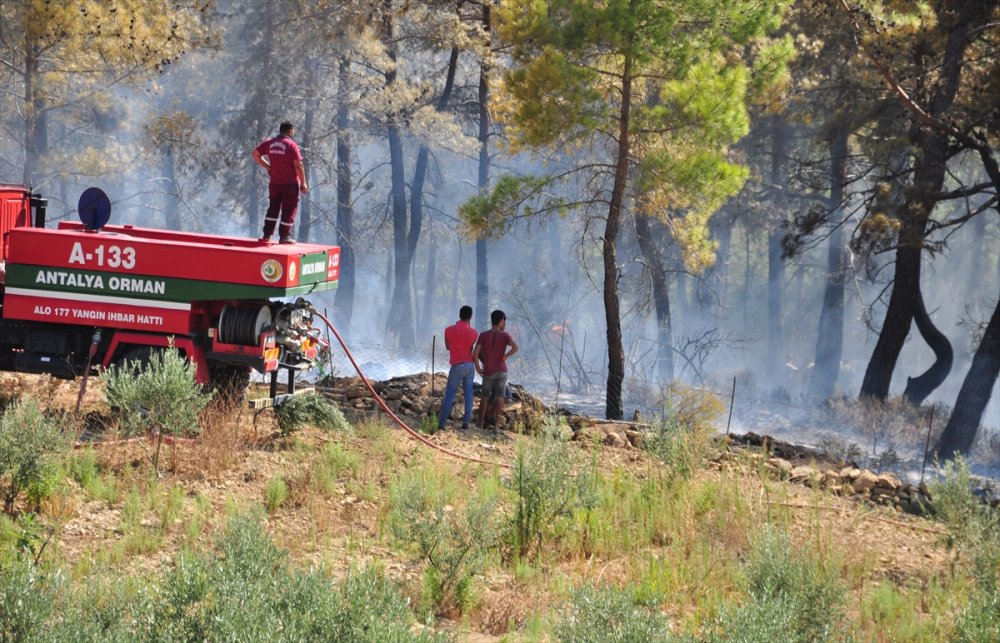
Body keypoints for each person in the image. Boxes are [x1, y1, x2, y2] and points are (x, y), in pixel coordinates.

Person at [251, 121, 308, 243]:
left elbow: (255, 154)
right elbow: (298, 165)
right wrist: (303, 183)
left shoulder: (269, 143)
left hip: (275, 184)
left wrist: (268, 167)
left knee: (273, 208)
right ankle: (284, 236)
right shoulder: (291, 145)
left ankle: (266, 235)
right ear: (290, 131)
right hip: (290, 184)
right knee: (289, 209)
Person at [473, 309, 518, 430]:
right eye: (504, 322)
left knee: (485, 396)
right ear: (501, 321)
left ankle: (480, 423)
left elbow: (475, 353)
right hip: (502, 371)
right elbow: (515, 347)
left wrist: (478, 367)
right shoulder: (505, 335)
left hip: (488, 371)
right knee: (500, 397)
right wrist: (506, 355)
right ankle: (497, 426)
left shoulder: (484, 335)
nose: (505, 324)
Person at [437, 305, 478, 430]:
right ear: (470, 317)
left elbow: (448, 347)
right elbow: (470, 348)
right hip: (469, 366)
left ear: (459, 315)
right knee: (469, 394)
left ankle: (442, 423)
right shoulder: (474, 333)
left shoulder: (448, 330)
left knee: (450, 394)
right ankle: (466, 423)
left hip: (457, 366)